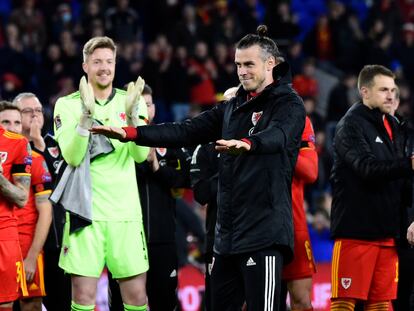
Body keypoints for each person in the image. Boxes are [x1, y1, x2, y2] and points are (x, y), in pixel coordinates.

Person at [92, 25, 306, 311]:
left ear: (270, 64)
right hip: (226, 239)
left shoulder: (288, 103)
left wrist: (249, 144)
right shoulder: (233, 106)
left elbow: (279, 135)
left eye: (249, 65)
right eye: (238, 65)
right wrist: (133, 133)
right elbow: (185, 130)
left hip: (263, 236)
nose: (242, 71)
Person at [52, 36, 150, 311]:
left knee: (137, 298)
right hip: (86, 215)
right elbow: (72, 156)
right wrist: (85, 117)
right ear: (85, 66)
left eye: (109, 61)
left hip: (125, 215)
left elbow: (141, 157)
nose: (104, 67)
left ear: (116, 64)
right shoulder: (67, 105)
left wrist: (132, 119)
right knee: (83, 299)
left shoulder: (132, 100)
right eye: (97, 62)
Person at [330, 65, 414, 311]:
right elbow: (366, 167)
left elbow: (402, 180)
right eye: (383, 90)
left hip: (387, 234)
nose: (390, 95)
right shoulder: (350, 125)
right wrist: (407, 164)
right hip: (356, 232)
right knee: (345, 304)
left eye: (392, 90)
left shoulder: (394, 125)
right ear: (365, 92)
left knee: (380, 305)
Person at [108, 84, 192, 311]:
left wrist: (156, 166)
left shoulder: (169, 138)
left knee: (164, 301)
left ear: (153, 108)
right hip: (124, 237)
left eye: (148, 104)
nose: (144, 109)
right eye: (138, 105)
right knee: (121, 303)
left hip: (161, 236)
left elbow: (184, 179)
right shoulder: (114, 140)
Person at [13, 92, 71, 310]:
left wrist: (39, 145)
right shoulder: (9, 150)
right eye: (27, 111)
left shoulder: (58, 144)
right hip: (22, 241)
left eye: (38, 110)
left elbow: (61, 181)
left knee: (61, 302)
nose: (35, 116)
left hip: (55, 240)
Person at [0, 102, 52, 311]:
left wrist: (31, 256)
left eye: (16, 123)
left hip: (24, 242)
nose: (12, 127)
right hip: (10, 237)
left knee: (29, 303)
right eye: (5, 122)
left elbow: (45, 210)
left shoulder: (35, 159)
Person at [281, 116, 318, 311]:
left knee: (302, 302)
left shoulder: (298, 119)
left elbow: (311, 172)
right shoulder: (243, 119)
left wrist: (277, 145)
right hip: (254, 225)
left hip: (294, 225)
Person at [0, 101, 32, 311]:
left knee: (5, 303)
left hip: (3, 232)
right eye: (5, 121)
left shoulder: (17, 143)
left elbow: (21, 198)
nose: (11, 126)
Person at [190, 142, 219, 311]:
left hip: (251, 239)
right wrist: (227, 169)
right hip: (216, 241)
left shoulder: (251, 140)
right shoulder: (204, 148)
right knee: (214, 302)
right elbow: (201, 194)